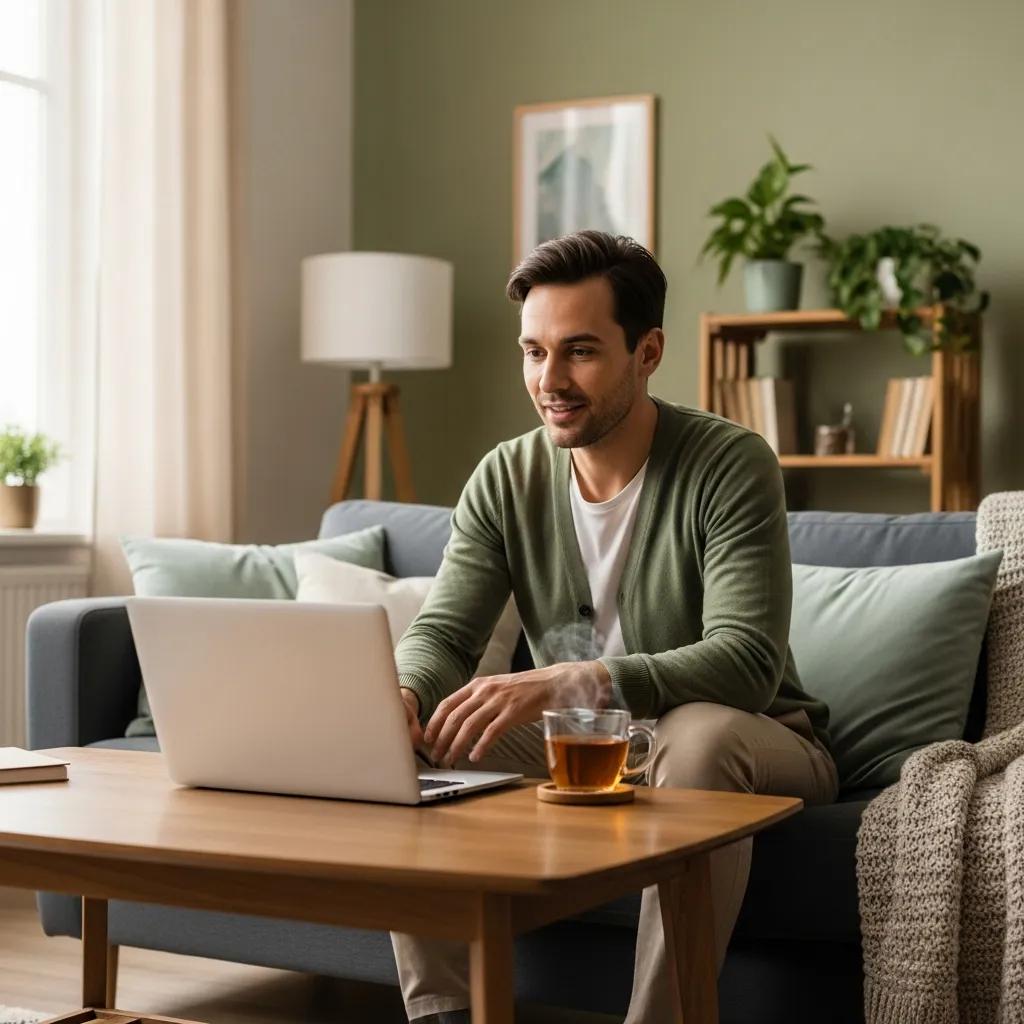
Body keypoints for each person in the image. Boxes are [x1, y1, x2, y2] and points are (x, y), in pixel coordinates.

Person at [391, 229, 838, 1024]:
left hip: (754, 738)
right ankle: (445, 1017)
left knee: (696, 736)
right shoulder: (506, 475)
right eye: (533, 352)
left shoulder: (731, 464)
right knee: (413, 732)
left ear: (649, 350)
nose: (549, 380)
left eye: (580, 352)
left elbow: (747, 660)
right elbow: (446, 636)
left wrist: (580, 678)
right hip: (587, 743)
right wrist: (402, 691)